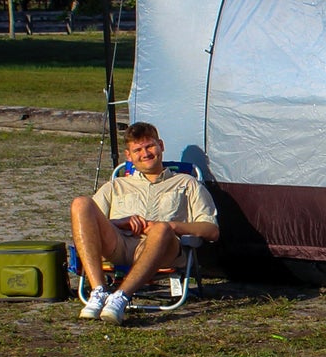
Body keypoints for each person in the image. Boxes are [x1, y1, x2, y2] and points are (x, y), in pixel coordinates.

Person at [70, 122, 219, 325]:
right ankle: (99, 291)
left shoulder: (186, 183)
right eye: (137, 150)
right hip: (120, 244)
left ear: (161, 146)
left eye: (150, 146)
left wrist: (171, 226)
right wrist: (118, 222)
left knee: (161, 228)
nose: (145, 153)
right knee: (81, 204)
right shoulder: (116, 186)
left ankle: (121, 296)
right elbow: (88, 226)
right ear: (128, 156)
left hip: (163, 248)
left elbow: (212, 230)